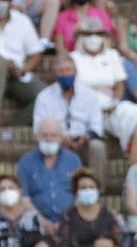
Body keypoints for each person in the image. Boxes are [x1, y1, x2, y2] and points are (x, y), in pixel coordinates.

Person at [70, 17, 137, 151]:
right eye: (89, 34)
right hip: (85, 109)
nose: (94, 38)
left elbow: (119, 85)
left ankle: (131, 151)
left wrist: (114, 103)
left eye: (98, 34)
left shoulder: (112, 55)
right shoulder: (74, 58)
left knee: (136, 113)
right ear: (81, 37)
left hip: (111, 105)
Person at [32, 55, 107, 185]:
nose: (65, 74)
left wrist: (84, 138)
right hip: (57, 142)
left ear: (75, 72)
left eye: (68, 70)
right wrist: (59, 138)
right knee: (49, 146)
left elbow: (97, 126)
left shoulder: (89, 95)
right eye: (61, 71)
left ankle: (96, 189)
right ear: (55, 74)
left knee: (98, 147)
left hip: (84, 142)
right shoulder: (44, 97)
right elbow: (38, 128)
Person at [55, 167, 125, 247]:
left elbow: (118, 243)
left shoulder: (108, 214)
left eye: (91, 187)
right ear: (76, 192)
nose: (88, 190)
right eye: (83, 188)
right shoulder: (68, 216)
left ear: (97, 190)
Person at [17, 118, 83, 235]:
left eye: (53, 135)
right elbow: (24, 198)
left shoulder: (73, 160)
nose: (49, 139)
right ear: (37, 137)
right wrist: (41, 221)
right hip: (37, 225)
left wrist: (66, 221)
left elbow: (79, 194)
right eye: (44, 135)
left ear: (61, 137)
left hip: (70, 223)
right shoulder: (26, 162)